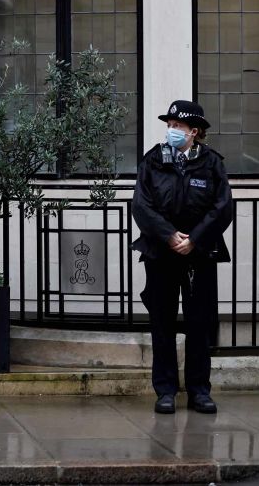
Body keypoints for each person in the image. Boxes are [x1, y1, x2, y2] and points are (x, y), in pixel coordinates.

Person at [132, 99, 231, 415]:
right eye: (169, 125)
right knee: (162, 324)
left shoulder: (212, 163)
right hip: (160, 253)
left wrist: (195, 240)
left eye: (178, 126)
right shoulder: (153, 161)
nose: (171, 131)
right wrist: (169, 235)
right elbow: (141, 205)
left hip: (200, 255)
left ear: (195, 131)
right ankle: (165, 391)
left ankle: (200, 391)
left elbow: (222, 207)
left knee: (200, 325)